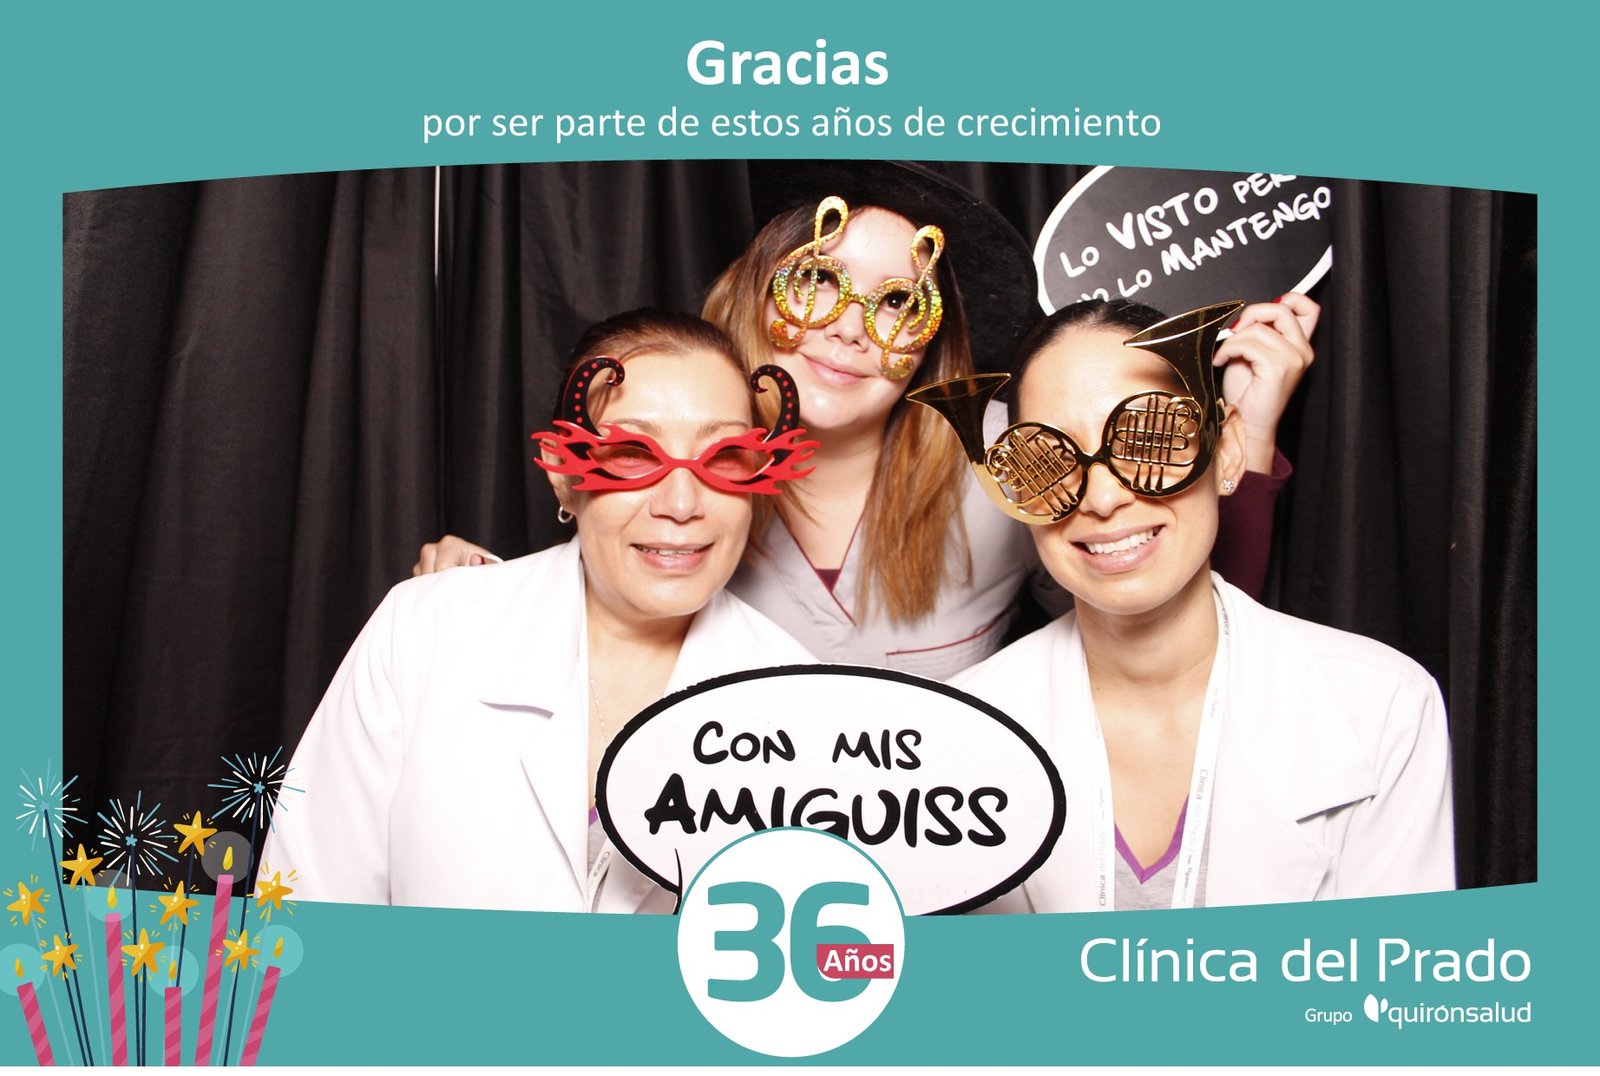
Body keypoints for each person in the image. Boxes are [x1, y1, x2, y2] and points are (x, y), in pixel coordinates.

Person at [414, 163, 1318, 679]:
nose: (851, 329)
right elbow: (599, 605)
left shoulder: (1008, 456)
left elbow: (1164, 618)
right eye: (818, 281)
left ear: (933, 343)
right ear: (757, 288)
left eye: (896, 303)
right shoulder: (681, 452)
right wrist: (480, 595)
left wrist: (1250, 431)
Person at [261, 310, 817, 913]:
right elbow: (301, 914)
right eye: (631, 453)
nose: (681, 504)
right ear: (561, 474)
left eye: (727, 457)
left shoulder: (807, 704)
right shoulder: (423, 632)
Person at [934, 299, 1453, 910]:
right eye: (1044, 460)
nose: (1101, 497)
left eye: (1149, 439)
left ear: (1227, 450)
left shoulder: (1383, 709)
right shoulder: (953, 735)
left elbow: (1392, 967)